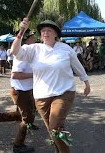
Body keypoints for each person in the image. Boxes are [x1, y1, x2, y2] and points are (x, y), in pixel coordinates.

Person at [11, 19, 90, 153]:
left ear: (56, 34)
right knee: (55, 130)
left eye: (49, 30)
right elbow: (15, 51)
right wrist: (22, 31)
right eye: (43, 31)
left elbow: (77, 66)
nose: (45, 33)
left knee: (55, 127)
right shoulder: (34, 49)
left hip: (64, 93)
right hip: (41, 97)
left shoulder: (65, 48)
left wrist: (86, 82)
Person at [0, 30, 39, 153]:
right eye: (33, 37)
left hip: (26, 89)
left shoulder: (29, 51)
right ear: (27, 40)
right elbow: (15, 75)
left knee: (26, 115)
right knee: (27, 118)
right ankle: (18, 146)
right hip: (20, 91)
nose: (35, 38)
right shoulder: (24, 52)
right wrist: (35, 74)